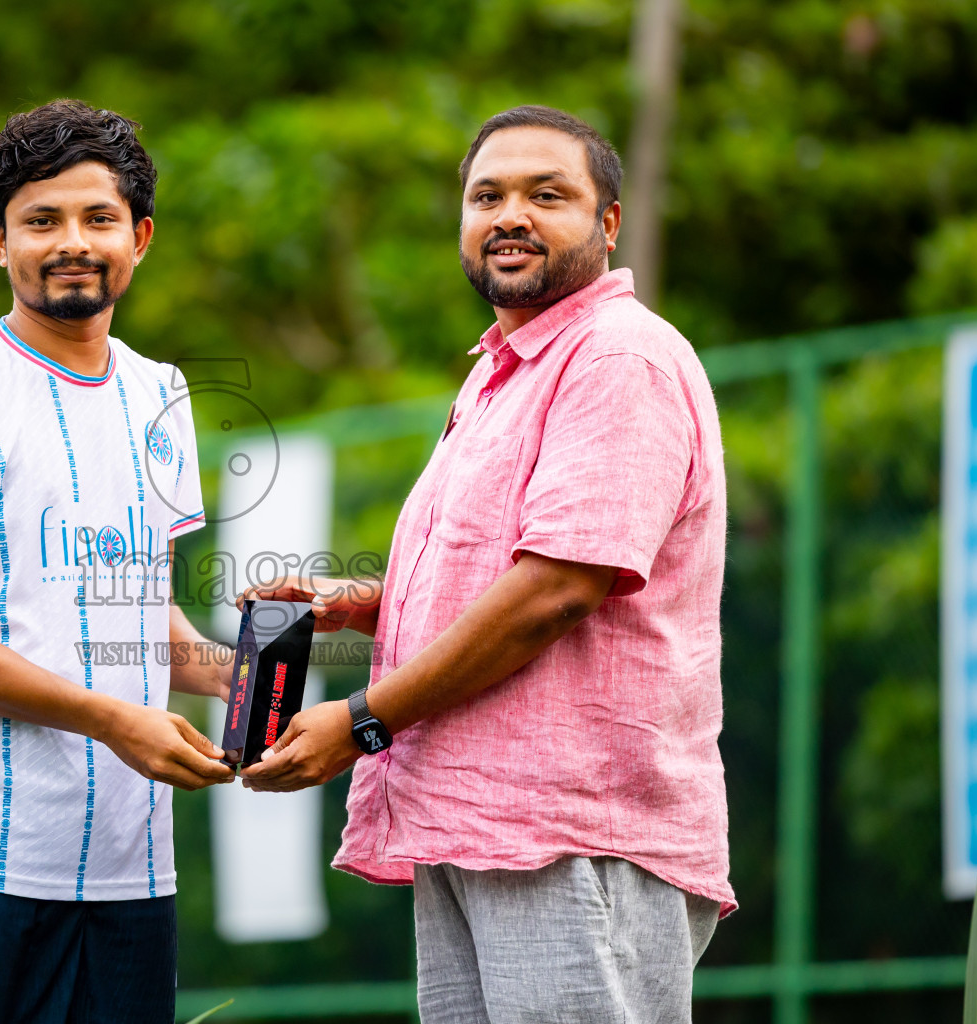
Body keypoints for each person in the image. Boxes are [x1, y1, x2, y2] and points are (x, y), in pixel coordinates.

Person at [241, 105, 735, 1022]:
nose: (511, 215)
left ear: (608, 223)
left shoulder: (618, 358)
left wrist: (360, 722)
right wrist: (367, 605)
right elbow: (513, 574)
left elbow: (557, 590)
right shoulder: (501, 371)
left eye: (548, 194)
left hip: (575, 831)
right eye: (487, 196)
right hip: (473, 825)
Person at [0, 98, 234, 1024]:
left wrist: (255, 685)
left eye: (98, 218)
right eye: (42, 220)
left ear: (140, 237)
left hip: (133, 873)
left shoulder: (163, 393)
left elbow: (137, 613)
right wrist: (111, 719)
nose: (73, 241)